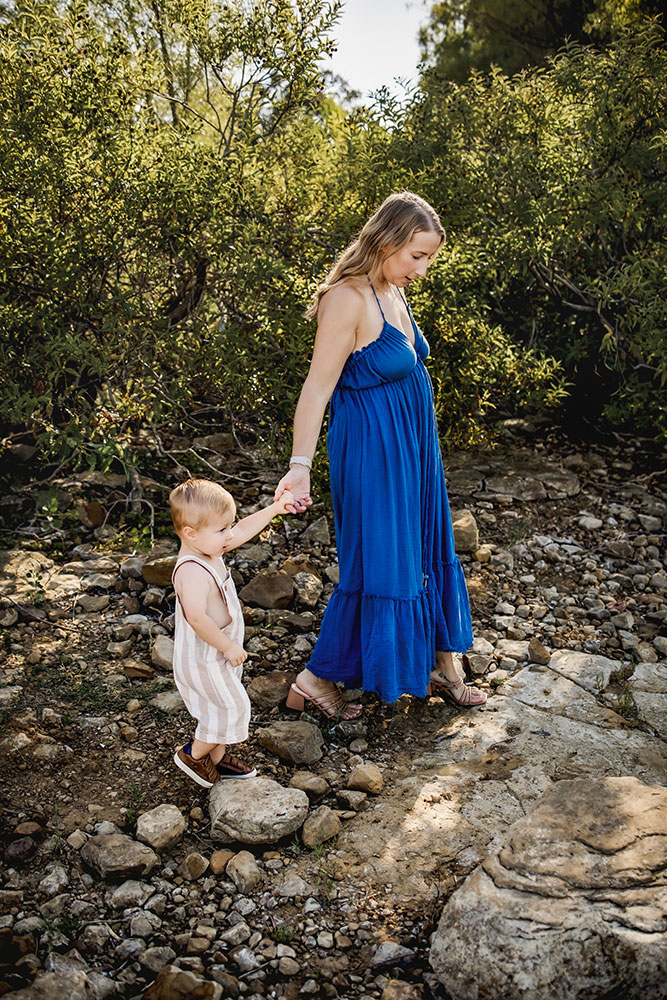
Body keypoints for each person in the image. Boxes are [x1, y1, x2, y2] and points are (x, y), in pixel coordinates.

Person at [275, 191, 486, 717]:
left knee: (425, 547)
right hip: (374, 451)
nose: (424, 267)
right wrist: (299, 468)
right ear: (387, 240)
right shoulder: (348, 298)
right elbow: (316, 389)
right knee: (382, 563)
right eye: (418, 254)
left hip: (413, 446)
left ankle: (443, 663)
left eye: (430, 256)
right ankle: (315, 679)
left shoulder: (391, 288)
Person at [169, 478, 295, 787]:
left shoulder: (209, 548)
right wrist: (227, 646)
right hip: (203, 658)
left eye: (228, 527)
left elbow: (243, 529)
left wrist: (275, 509)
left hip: (218, 655)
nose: (229, 535)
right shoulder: (191, 570)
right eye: (221, 530)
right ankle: (193, 755)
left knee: (219, 705)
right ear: (190, 533)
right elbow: (197, 618)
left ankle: (216, 758)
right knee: (230, 706)